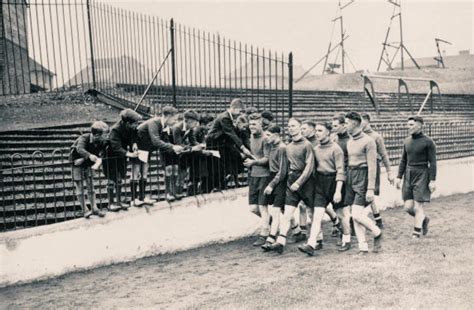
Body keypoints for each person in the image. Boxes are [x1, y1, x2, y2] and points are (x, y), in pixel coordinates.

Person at [267, 118, 315, 254]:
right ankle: (280, 242)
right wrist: (286, 181)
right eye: (289, 126)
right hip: (292, 180)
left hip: (306, 181)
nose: (291, 128)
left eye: (293, 126)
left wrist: (299, 182)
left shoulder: (307, 145)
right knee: (287, 213)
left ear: (300, 127)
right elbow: (284, 169)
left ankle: (317, 240)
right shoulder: (287, 147)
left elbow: (309, 167)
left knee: (311, 211)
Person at [298, 121, 345, 256]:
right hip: (320, 183)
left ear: (328, 133)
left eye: (320, 131)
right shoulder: (316, 149)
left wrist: (337, 190)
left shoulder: (336, 149)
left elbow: (340, 171)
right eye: (316, 131)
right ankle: (312, 243)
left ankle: (345, 235)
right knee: (317, 215)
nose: (317, 133)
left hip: (334, 182)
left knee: (341, 215)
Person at [344, 111, 382, 254]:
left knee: (357, 215)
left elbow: (373, 167)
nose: (345, 125)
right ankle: (363, 247)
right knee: (354, 215)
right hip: (351, 176)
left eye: (347, 123)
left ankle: (377, 232)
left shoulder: (369, 141)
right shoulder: (350, 141)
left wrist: (370, 188)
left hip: (363, 176)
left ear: (354, 124)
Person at [396, 116, 436, 238]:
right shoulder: (407, 141)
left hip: (422, 173)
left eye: (411, 125)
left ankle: (416, 233)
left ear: (419, 125)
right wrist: (399, 176)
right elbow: (403, 160)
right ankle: (424, 220)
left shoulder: (428, 142)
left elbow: (433, 162)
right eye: (408, 124)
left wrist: (432, 180)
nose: (409, 127)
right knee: (408, 208)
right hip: (409, 173)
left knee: (418, 206)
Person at [136, 106, 183, 202]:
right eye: (174, 119)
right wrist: (173, 147)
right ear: (168, 116)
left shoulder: (164, 126)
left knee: (144, 173)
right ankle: (137, 198)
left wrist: (173, 148)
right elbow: (156, 141)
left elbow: (163, 141)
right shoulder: (154, 122)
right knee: (138, 174)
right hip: (138, 149)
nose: (175, 121)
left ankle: (142, 197)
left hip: (146, 150)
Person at [206, 99, 252, 190]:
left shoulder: (228, 117)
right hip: (214, 144)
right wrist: (242, 148)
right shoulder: (225, 117)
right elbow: (231, 133)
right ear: (234, 108)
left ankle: (221, 185)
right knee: (216, 167)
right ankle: (213, 187)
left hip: (222, 144)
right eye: (239, 110)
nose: (240, 113)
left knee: (223, 166)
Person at [103, 109, 142, 211]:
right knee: (111, 179)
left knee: (119, 179)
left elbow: (134, 135)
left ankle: (119, 202)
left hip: (121, 157)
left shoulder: (131, 128)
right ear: (127, 123)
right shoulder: (115, 130)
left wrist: (134, 144)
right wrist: (130, 154)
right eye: (134, 123)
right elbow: (116, 147)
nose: (136, 125)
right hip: (110, 156)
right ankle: (111, 203)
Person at [361, 112, 394, 228]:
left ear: (368, 121)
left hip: (373, 167)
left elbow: (384, 154)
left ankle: (367, 220)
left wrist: (389, 172)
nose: (359, 124)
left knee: (368, 194)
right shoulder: (356, 136)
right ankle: (377, 218)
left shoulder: (375, 136)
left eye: (362, 121)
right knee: (362, 193)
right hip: (360, 169)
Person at [69, 121, 109, 218]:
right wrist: (89, 156)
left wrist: (95, 157)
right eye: (105, 135)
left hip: (87, 163)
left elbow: (103, 150)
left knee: (91, 187)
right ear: (96, 135)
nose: (107, 137)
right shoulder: (84, 138)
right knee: (80, 188)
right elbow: (80, 149)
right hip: (76, 164)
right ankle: (85, 210)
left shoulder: (102, 141)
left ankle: (94, 208)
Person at [244, 113, 272, 246]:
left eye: (254, 124)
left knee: (262, 206)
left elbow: (267, 159)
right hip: (254, 176)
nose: (251, 127)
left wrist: (253, 163)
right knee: (253, 208)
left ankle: (264, 234)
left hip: (265, 176)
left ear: (261, 124)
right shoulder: (250, 136)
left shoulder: (266, 138)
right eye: (250, 125)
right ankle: (271, 222)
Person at [261, 125, 288, 250]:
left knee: (276, 211)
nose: (265, 138)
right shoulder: (271, 146)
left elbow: (282, 171)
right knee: (282, 211)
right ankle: (297, 230)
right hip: (272, 177)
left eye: (268, 135)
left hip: (280, 181)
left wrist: (271, 185)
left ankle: (271, 239)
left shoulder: (282, 148)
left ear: (276, 135)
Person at [173, 110, 206, 197]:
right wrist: (192, 148)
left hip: (183, 153)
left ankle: (178, 193)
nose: (196, 125)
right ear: (189, 121)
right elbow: (178, 143)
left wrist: (200, 145)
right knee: (178, 175)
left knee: (183, 174)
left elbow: (192, 140)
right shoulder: (177, 128)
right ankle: (175, 192)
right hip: (173, 153)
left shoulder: (190, 129)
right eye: (195, 122)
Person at [332, 113, 352, 251]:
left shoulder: (349, 141)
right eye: (332, 126)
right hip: (332, 178)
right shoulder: (333, 139)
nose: (334, 129)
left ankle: (346, 238)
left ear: (344, 125)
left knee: (342, 211)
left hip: (344, 178)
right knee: (337, 210)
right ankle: (343, 230)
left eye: (336, 126)